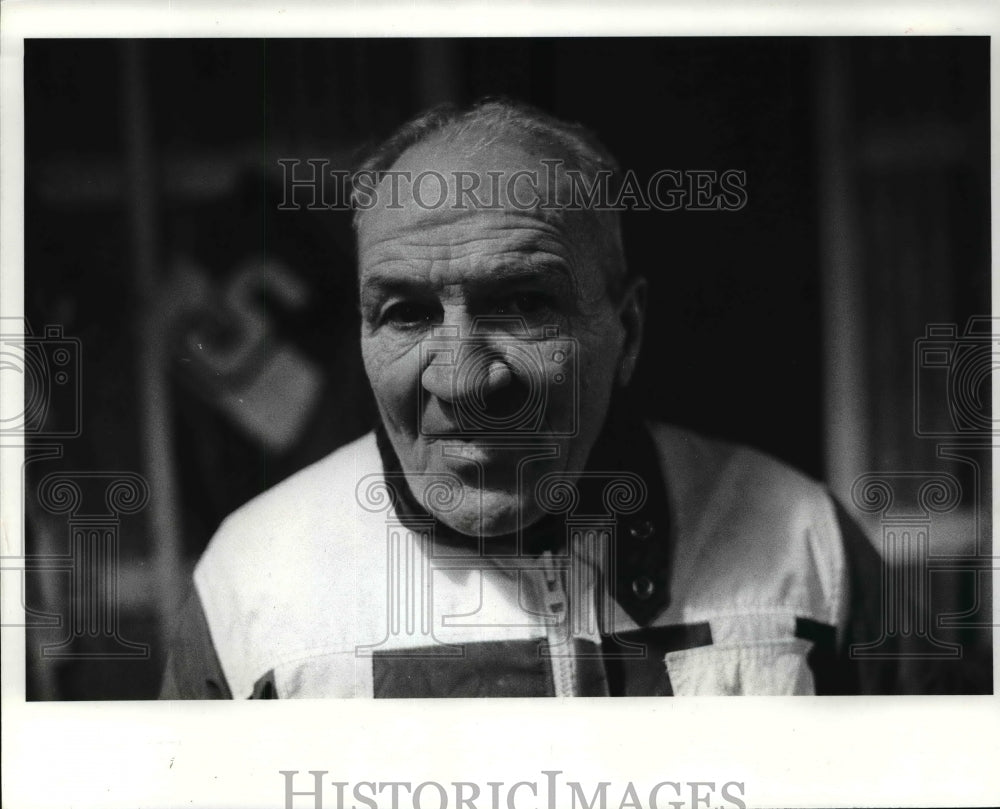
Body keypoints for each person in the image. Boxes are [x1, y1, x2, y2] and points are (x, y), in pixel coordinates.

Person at [160, 98, 896, 698]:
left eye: (520, 305)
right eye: (406, 313)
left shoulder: (807, 543)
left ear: (627, 331)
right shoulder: (252, 580)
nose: (463, 379)